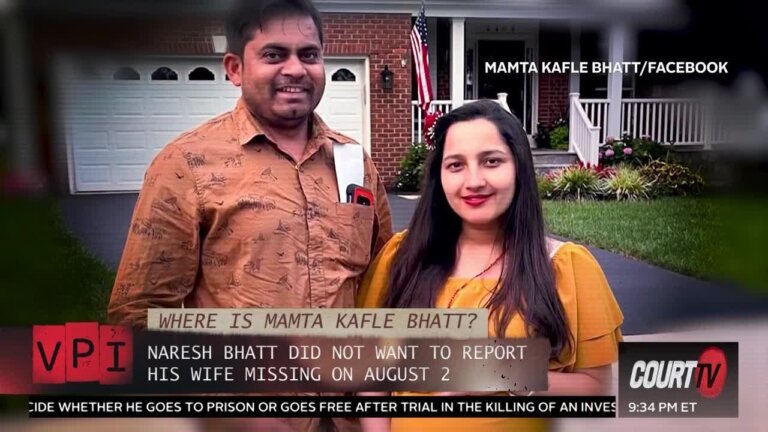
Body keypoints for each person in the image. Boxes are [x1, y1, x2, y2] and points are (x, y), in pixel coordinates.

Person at [108, 0, 392, 430]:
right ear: (235, 68)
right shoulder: (187, 163)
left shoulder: (353, 160)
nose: (296, 69)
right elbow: (140, 314)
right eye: (274, 54)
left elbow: (385, 278)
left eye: (309, 54)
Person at [357, 100, 624, 432]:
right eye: (456, 165)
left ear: (519, 168)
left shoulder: (566, 266)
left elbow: (597, 389)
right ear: (439, 175)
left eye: (491, 161)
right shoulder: (402, 257)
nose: (474, 181)